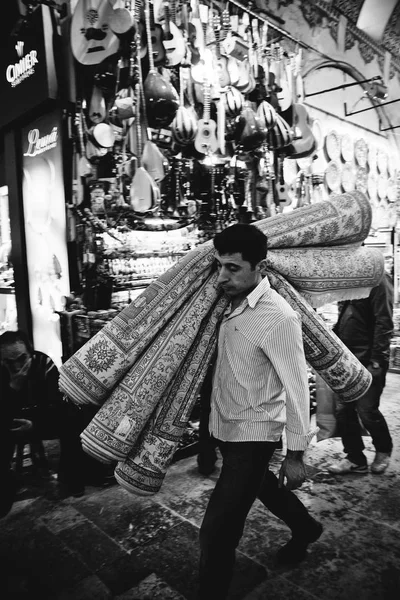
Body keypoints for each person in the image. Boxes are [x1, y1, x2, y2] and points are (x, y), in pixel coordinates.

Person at [198, 224, 322, 600]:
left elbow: (298, 387)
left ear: (260, 267)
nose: (223, 277)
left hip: (254, 435)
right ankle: (305, 528)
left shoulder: (278, 317)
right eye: (220, 266)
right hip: (226, 426)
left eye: (233, 268)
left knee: (216, 532)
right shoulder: (225, 304)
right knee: (264, 488)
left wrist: (296, 454)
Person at [0, 330, 111, 497]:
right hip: (10, 422)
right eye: (9, 362)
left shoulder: (43, 363)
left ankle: (71, 480)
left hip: (39, 419)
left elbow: (57, 405)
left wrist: (35, 424)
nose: (17, 367)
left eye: (22, 358)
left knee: (73, 419)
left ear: (30, 353)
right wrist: (13, 388)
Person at [328, 269, 394, 475]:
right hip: (346, 359)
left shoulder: (379, 279)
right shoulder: (351, 279)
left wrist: (377, 361)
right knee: (343, 411)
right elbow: (347, 316)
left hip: (368, 360)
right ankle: (355, 458)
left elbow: (384, 322)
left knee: (367, 411)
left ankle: (383, 450)